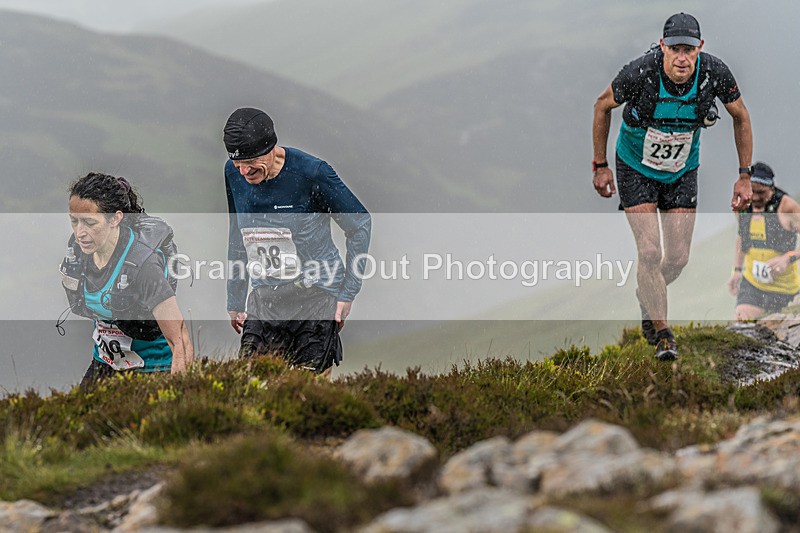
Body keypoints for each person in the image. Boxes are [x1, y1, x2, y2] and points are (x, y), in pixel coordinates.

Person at [591, 12, 753, 360]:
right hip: (636, 168)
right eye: (675, 49)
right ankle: (663, 333)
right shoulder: (640, 72)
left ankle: (647, 294)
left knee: (677, 259)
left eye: (689, 50)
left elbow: (741, 115)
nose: (682, 58)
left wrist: (744, 175)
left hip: (681, 171)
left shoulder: (714, 73)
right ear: (663, 46)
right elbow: (602, 105)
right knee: (650, 252)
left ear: (700, 48)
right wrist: (600, 165)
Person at [223, 107, 371, 377]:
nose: (244, 171)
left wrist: (348, 293)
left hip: (316, 296)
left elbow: (359, 224)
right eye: (237, 163)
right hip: (265, 299)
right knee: (251, 382)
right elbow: (237, 234)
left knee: (308, 389)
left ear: (270, 148)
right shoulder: (233, 174)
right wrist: (235, 298)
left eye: (251, 161)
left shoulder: (312, 173)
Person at [60, 173, 193, 386]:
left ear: (115, 219)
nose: (79, 233)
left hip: (152, 367)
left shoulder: (143, 265)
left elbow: (180, 340)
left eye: (90, 223)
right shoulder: (80, 252)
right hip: (105, 363)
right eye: (74, 221)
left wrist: (181, 390)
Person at [728, 162, 800, 320]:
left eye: (761, 192)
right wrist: (737, 270)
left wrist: (788, 258)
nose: (755, 197)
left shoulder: (786, 206)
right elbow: (742, 237)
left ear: (771, 188)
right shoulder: (743, 206)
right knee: (743, 325)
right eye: (752, 192)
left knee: (783, 329)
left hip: (785, 289)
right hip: (753, 285)